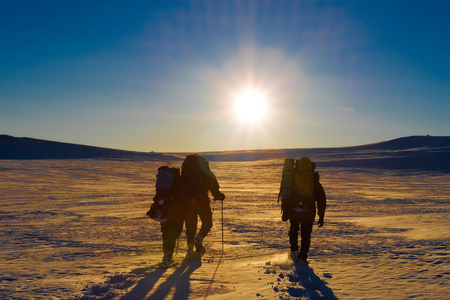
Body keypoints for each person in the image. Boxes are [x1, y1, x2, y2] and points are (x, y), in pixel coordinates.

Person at [283, 157, 326, 264]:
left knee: (293, 231)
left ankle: (293, 253)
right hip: (309, 212)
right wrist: (321, 215)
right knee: (306, 236)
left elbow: (286, 195)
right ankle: (303, 257)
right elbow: (321, 199)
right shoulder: (313, 179)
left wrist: (285, 211)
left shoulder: (293, 177)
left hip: (294, 212)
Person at [181, 154, 225, 258]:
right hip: (202, 202)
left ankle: (190, 247)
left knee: (190, 226)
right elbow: (215, 191)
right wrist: (219, 196)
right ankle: (199, 238)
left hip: (188, 203)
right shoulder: (207, 173)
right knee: (207, 223)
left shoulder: (185, 173)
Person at [148, 166, 186, 268]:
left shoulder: (164, 184)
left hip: (163, 210)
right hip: (175, 213)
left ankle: (166, 255)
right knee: (173, 234)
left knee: (166, 232)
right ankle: (167, 259)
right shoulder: (180, 183)